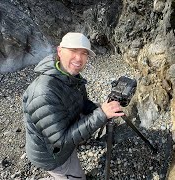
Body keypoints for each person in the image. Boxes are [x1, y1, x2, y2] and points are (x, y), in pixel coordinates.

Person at [22, 32, 125, 179]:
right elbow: (60, 142)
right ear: (59, 51)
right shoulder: (43, 92)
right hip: (53, 155)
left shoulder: (71, 76)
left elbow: (81, 103)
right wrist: (101, 114)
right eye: (73, 51)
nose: (79, 58)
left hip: (60, 133)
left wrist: (100, 109)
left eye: (84, 53)